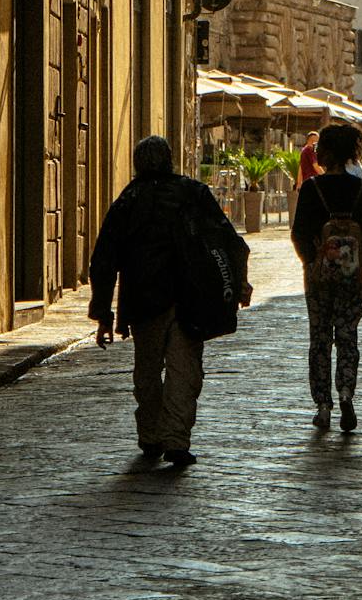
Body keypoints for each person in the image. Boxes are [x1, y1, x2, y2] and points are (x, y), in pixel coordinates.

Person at [88, 135, 251, 469]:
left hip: (145, 302)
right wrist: (238, 283)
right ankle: (176, 440)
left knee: (146, 374)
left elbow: (104, 260)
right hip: (190, 299)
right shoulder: (193, 193)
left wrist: (103, 313)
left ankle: (151, 436)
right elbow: (230, 241)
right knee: (184, 371)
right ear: (169, 159)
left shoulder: (127, 201)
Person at [291, 124, 362, 433]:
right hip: (353, 275)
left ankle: (323, 405)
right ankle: (346, 393)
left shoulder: (312, 189)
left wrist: (310, 262)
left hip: (319, 276)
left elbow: (299, 233)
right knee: (348, 335)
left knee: (320, 338)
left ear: (326, 152)